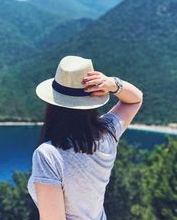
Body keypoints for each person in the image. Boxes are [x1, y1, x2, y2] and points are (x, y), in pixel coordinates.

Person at [27, 55, 143, 220]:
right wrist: (112, 83)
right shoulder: (107, 135)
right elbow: (134, 100)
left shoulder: (48, 155)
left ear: (52, 104)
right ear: (92, 101)